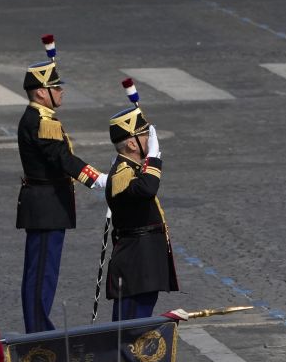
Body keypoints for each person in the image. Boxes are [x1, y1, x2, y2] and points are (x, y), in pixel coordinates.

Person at [16, 42, 105, 333]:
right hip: (46, 206)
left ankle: (39, 327)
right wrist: (97, 180)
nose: (62, 91)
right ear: (42, 92)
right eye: (56, 87)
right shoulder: (42, 121)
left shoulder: (43, 119)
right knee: (41, 273)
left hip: (46, 205)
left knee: (44, 273)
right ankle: (38, 330)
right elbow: (60, 157)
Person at [105, 107, 178, 321]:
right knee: (130, 329)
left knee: (137, 325)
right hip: (136, 265)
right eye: (145, 135)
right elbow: (147, 189)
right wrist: (153, 158)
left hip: (144, 263)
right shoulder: (123, 173)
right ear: (131, 143)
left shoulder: (132, 169)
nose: (149, 140)